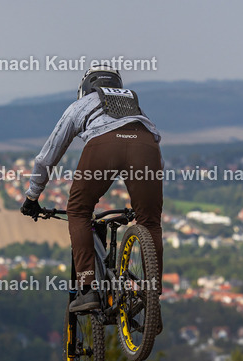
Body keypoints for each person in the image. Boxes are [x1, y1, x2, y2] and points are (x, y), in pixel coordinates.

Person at [20, 67, 163, 316]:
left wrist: (32, 196)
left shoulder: (82, 104)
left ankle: (87, 289)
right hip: (146, 147)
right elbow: (155, 152)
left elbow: (48, 156)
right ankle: (152, 299)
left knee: (78, 210)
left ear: (86, 86)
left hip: (103, 145)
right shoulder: (133, 105)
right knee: (150, 222)